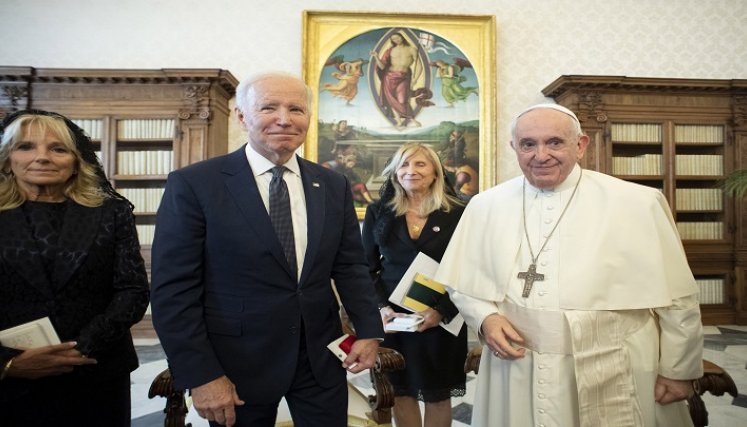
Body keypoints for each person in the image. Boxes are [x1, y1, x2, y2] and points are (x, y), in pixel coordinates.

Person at [435, 104, 704, 426]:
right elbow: (462, 282)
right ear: (514, 148)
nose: (541, 154)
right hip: (517, 365)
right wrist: (486, 318)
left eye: (555, 142)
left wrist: (679, 370)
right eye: (528, 144)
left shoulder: (638, 203)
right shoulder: (485, 205)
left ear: (580, 145)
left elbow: (679, 300)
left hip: (617, 362)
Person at [150, 72, 384, 427]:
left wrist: (369, 330)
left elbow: (350, 265)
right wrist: (201, 374)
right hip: (238, 364)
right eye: (268, 107)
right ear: (243, 117)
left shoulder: (332, 184)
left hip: (320, 360)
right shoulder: (196, 184)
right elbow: (174, 290)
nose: (284, 119)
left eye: (296, 109)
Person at [0, 109, 150, 426]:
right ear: (7, 158)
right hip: (9, 380)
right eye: (25, 146)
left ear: (76, 160)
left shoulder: (112, 212)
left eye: (58, 148)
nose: (42, 157)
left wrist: (80, 348)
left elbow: (132, 291)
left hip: (96, 373)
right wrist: (8, 364)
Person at [362, 143, 467, 427]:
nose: (412, 171)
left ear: (435, 173)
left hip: (441, 318)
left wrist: (439, 312)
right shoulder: (378, 212)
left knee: (437, 395)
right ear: (395, 172)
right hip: (395, 319)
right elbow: (366, 268)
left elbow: (470, 270)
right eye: (405, 164)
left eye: (421, 164)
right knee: (401, 391)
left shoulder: (460, 212)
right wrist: (382, 308)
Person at [370, 32, 423, 129]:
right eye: (393, 39)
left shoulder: (412, 49)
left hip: (404, 77)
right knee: (392, 100)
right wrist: (376, 56)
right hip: (389, 77)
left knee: (402, 99)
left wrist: (415, 79)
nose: (396, 40)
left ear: (402, 37)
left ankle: (412, 119)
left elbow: (419, 65)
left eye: (397, 38)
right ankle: (398, 121)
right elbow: (382, 66)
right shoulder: (390, 50)